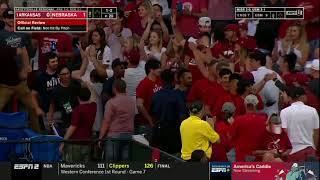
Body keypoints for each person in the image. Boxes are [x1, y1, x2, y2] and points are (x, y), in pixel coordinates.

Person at [0, 47, 40, 132]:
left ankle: (37, 135)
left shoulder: (4, 49)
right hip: (4, 86)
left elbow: (23, 50)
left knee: (32, 108)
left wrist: (25, 69)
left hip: (19, 84)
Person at [99, 79, 135, 161]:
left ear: (114, 88)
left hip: (114, 136)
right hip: (129, 135)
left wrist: (100, 137)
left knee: (111, 163)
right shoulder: (132, 101)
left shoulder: (111, 102)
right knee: (125, 163)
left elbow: (106, 121)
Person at [151, 69, 185, 154]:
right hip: (173, 133)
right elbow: (182, 115)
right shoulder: (177, 95)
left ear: (161, 80)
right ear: (173, 80)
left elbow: (153, 113)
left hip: (158, 132)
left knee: (158, 159)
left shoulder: (156, 96)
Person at [280, 87, 319, 162]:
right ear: (302, 97)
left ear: (291, 97)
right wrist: (314, 148)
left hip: (292, 151)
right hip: (309, 150)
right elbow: (316, 132)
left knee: (293, 173)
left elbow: (284, 131)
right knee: (311, 173)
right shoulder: (313, 111)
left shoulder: (284, 112)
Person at [59, 87, 97, 162]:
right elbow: (93, 96)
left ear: (77, 97)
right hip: (87, 143)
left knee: (73, 169)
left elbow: (73, 127)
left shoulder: (78, 110)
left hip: (75, 144)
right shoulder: (94, 106)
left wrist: (63, 142)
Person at [229, 94, 267, 161]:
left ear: (245, 104)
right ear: (256, 104)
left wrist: (232, 125)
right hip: (258, 159)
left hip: (242, 158)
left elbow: (230, 136)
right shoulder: (264, 120)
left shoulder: (238, 120)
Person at [48, 66, 81, 136]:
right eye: (63, 74)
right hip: (63, 118)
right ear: (59, 75)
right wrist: (50, 117)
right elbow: (52, 104)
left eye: (67, 73)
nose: (66, 76)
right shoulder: (56, 90)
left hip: (76, 116)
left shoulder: (75, 86)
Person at [31, 52, 60, 130]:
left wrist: (69, 110)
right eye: (53, 62)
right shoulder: (40, 78)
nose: (56, 63)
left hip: (63, 108)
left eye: (56, 61)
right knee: (50, 133)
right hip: (47, 111)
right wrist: (37, 108)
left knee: (66, 129)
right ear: (47, 64)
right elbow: (33, 94)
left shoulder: (62, 73)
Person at [249, 50, 282, 116]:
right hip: (274, 114)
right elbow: (282, 96)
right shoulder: (276, 74)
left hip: (259, 115)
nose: (250, 63)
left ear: (258, 61)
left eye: (252, 61)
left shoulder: (252, 75)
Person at [136, 58, 162, 134]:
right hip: (146, 124)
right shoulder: (143, 84)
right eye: (158, 68)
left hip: (158, 121)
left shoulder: (160, 80)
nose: (160, 70)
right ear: (151, 70)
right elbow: (139, 105)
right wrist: (149, 119)